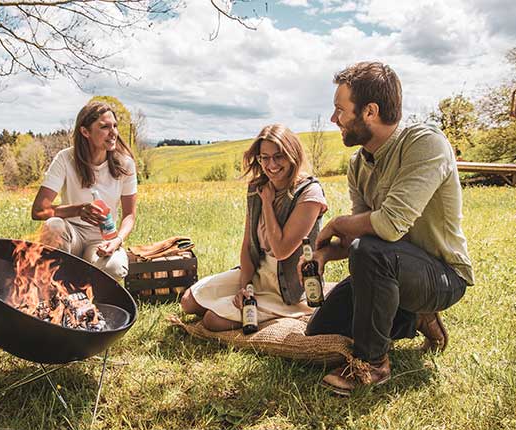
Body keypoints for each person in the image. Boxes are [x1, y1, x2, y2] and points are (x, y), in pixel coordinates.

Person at [301, 62, 474, 396]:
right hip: (387, 266)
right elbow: (363, 236)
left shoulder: (425, 143)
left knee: (371, 253)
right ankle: (414, 318)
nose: (334, 119)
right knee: (319, 332)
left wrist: (336, 223)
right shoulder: (358, 164)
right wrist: (324, 254)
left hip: (442, 275)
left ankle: (372, 364)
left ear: (370, 111)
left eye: (340, 110)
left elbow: (388, 225)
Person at [181, 124, 328, 331]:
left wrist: (267, 203)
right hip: (259, 274)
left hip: (287, 289)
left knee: (212, 321)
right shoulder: (256, 188)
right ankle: (243, 304)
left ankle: (279, 315)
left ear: (292, 155)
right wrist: (245, 287)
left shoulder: (309, 193)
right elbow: (248, 245)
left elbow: (281, 250)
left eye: (279, 156)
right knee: (188, 302)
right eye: (264, 157)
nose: (271, 165)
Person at [31, 101, 137, 282]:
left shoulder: (125, 164)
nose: (113, 133)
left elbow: (129, 215)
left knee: (115, 267)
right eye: (104, 127)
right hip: (70, 234)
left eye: (115, 126)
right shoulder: (65, 158)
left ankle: (77, 276)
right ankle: (56, 284)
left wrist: (117, 240)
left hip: (102, 239)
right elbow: (39, 210)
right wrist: (77, 210)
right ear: (85, 132)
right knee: (53, 225)